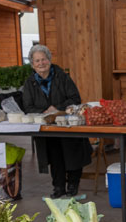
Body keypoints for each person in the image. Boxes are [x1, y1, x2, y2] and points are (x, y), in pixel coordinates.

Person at [20, 44, 93, 198]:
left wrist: (57, 108)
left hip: (67, 124)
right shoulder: (29, 83)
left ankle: (73, 185)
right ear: (32, 65)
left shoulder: (62, 77)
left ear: (49, 60)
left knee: (72, 154)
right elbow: (27, 106)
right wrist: (45, 111)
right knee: (54, 157)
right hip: (47, 127)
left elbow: (75, 99)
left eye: (44, 59)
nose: (41, 63)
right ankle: (58, 187)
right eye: (37, 61)